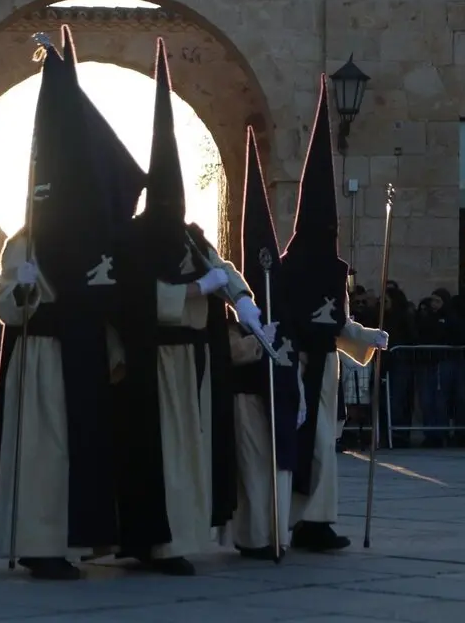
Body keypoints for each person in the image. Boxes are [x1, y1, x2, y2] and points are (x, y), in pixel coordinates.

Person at [0, 26, 147, 581]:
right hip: (42, 356)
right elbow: (4, 304)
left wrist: (114, 344)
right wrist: (22, 289)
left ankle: (79, 538)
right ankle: (39, 543)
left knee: (78, 450)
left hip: (84, 356)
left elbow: (107, 298)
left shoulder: (96, 242)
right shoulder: (23, 240)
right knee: (42, 451)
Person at [113, 39, 272, 576]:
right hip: (152, 365)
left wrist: (243, 299)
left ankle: (180, 537)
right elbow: (136, 299)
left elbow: (223, 270)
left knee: (188, 455)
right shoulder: (134, 242)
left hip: (194, 365)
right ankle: (156, 544)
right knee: (158, 456)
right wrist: (194, 293)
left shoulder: (191, 236)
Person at [281, 76, 388, 552]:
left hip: (327, 371)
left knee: (326, 446)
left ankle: (316, 520)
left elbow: (336, 324)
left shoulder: (333, 271)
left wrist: (369, 336)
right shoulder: (291, 269)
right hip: (302, 369)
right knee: (308, 445)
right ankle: (301, 520)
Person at [224, 127, 302, 560]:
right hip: (249, 397)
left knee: (279, 469)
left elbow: (291, 351)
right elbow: (230, 350)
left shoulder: (284, 303)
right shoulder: (237, 298)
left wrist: (302, 390)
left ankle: (279, 534)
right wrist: (255, 343)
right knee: (254, 471)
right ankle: (254, 536)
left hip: (282, 394)